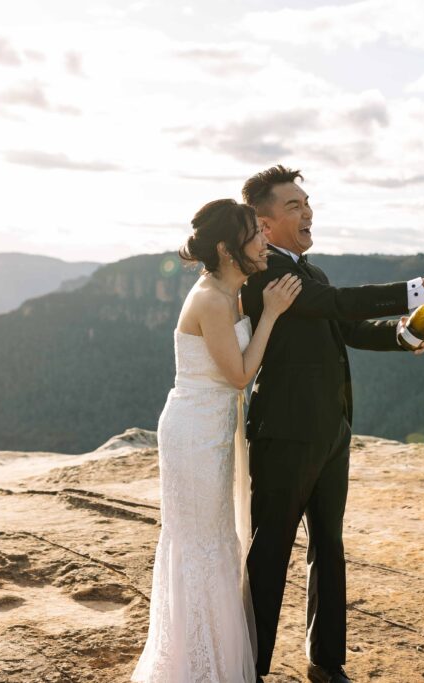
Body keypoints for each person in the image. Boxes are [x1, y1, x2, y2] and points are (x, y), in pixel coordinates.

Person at [239, 166, 424, 683]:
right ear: (264, 223)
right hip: (285, 432)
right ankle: (250, 666)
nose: (307, 211)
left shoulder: (309, 271)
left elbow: (344, 325)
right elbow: (341, 304)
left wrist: (404, 338)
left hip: (332, 430)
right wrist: (420, 287)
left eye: (307, 202)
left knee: (329, 545)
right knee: (270, 549)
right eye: (293, 205)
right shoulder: (266, 272)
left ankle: (326, 661)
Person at [132, 199, 302, 683]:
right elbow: (239, 374)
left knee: (215, 539)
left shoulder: (232, 289)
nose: (265, 240)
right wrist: (270, 315)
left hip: (213, 431)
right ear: (229, 250)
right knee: (200, 543)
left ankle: (209, 658)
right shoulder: (210, 299)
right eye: (256, 235)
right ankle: (197, 666)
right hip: (193, 433)